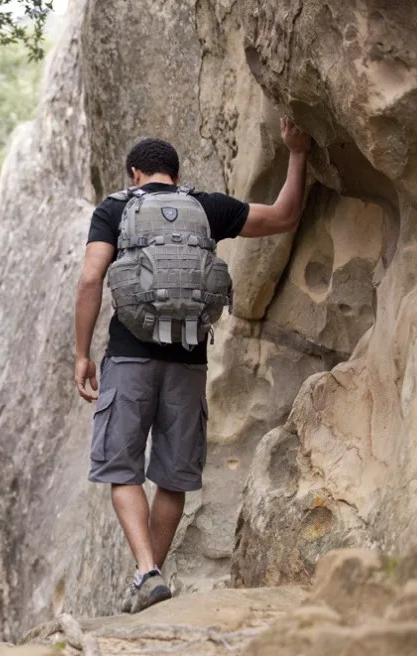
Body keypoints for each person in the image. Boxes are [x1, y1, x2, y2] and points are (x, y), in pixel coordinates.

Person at [72, 117, 311, 613]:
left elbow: (91, 279)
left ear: (135, 173)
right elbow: (285, 215)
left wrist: (80, 354)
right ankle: (149, 585)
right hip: (188, 361)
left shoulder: (115, 208)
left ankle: (146, 571)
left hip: (130, 356)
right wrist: (296, 152)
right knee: (174, 477)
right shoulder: (207, 207)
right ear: (175, 176)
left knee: (122, 470)